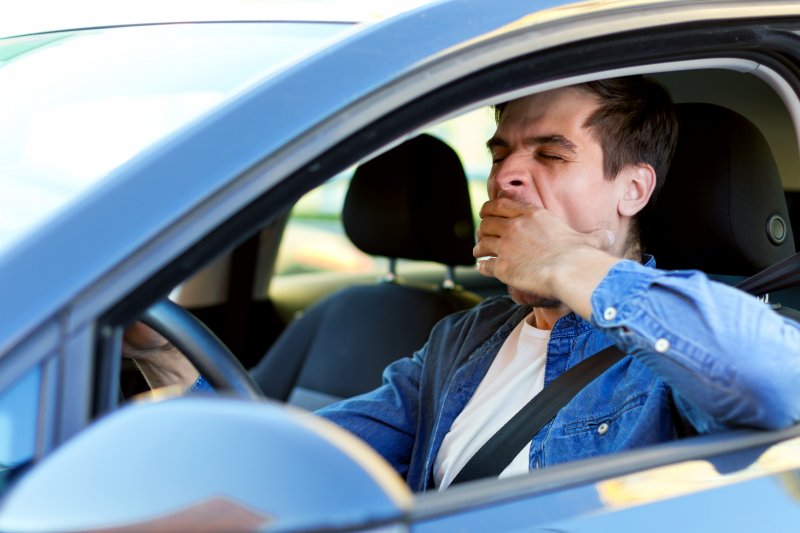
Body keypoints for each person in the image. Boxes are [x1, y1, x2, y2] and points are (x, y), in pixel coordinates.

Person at [124, 76, 800, 492]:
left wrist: (564, 264)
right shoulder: (462, 340)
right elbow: (301, 461)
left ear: (633, 189)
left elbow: (779, 382)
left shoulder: (673, 350)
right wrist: (158, 347)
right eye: (502, 152)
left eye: (550, 154)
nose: (506, 175)